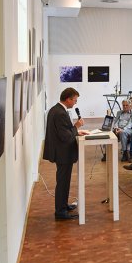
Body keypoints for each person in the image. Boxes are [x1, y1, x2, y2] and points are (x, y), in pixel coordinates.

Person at [42, 87, 89, 220]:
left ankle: (63, 205)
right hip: (63, 153)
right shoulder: (61, 113)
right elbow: (66, 136)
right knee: (62, 182)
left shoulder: (55, 109)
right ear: (68, 99)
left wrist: (75, 131)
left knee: (64, 181)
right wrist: (77, 126)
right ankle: (60, 212)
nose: (75, 103)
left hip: (61, 152)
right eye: (75, 100)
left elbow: (64, 131)